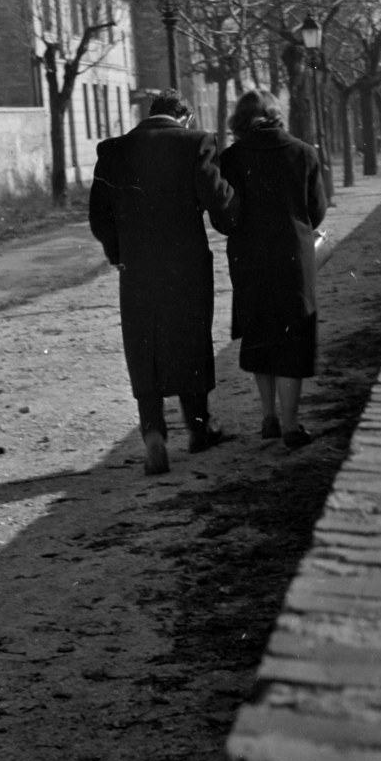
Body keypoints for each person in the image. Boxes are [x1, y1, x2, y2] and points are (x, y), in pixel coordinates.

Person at [89, 91, 239, 475]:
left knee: (144, 346)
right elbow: (217, 199)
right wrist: (234, 218)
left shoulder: (112, 151)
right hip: (186, 264)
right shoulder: (196, 142)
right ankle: (199, 428)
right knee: (190, 339)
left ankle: (154, 435)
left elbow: (99, 217)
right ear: (185, 117)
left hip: (137, 268)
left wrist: (119, 252)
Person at [218, 88, 328, 451]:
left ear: (239, 119)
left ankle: (268, 417)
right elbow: (317, 211)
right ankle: (292, 425)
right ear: (276, 114)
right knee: (292, 339)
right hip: (293, 259)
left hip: (249, 258)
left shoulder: (231, 158)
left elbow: (224, 216)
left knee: (260, 335)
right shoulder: (304, 153)